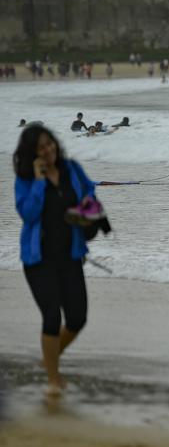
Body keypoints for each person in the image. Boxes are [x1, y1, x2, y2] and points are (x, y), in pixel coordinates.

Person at [14, 125, 103, 398]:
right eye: (41, 147)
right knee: (51, 316)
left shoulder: (71, 169)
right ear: (32, 153)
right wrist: (40, 183)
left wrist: (90, 210)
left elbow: (90, 195)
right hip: (38, 259)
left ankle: (50, 356)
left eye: (50, 144)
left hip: (70, 255)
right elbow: (28, 214)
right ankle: (54, 379)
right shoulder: (26, 179)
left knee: (77, 318)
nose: (48, 150)